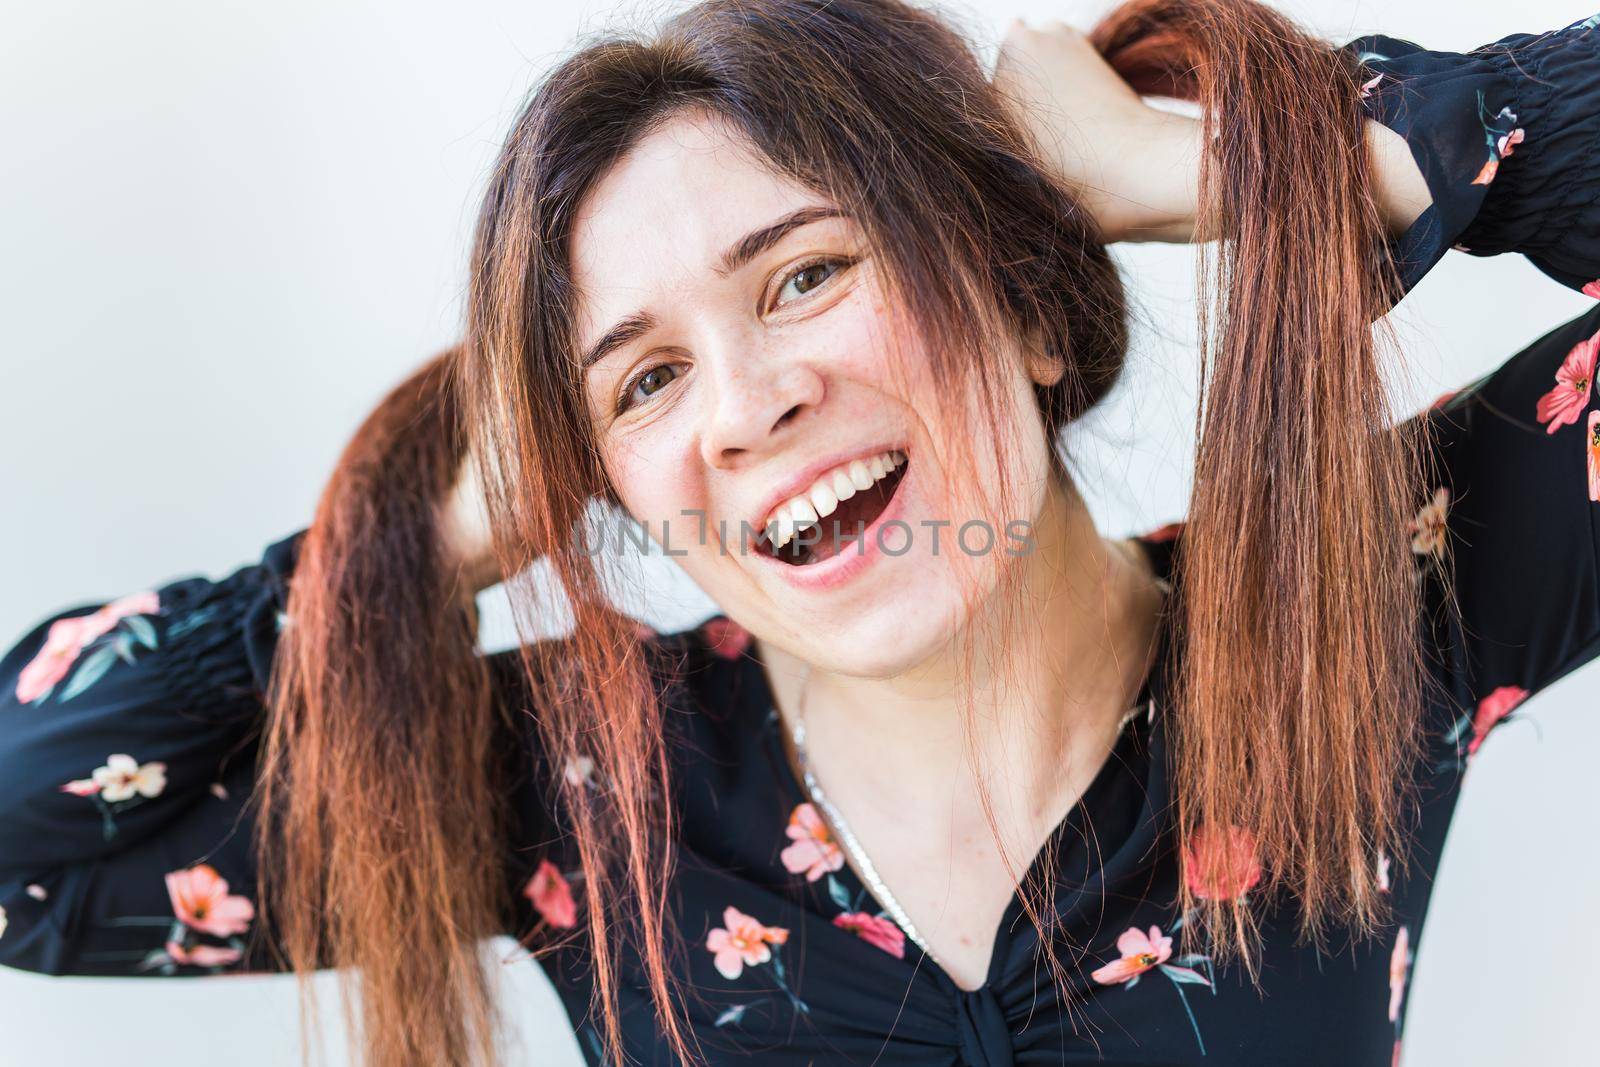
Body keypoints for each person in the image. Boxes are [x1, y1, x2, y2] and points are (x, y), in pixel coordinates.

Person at [2, 1, 1597, 1064]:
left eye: (807, 276)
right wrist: (436, 537)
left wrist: (1258, 167)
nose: (746, 406)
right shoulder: (585, 792)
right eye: (643, 381)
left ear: (1031, 301)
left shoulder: (1365, 608)